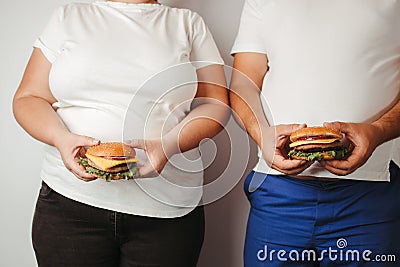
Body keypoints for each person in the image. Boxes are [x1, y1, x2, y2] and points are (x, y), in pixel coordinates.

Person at [13, 0, 229, 266]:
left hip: (166, 213)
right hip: (69, 207)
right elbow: (29, 97)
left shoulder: (188, 23)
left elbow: (216, 104)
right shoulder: (69, 16)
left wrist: (169, 144)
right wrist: (61, 138)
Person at [230, 0, 400, 266]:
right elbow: (243, 82)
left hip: (372, 194)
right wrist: (262, 135)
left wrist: (377, 132)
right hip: (278, 193)